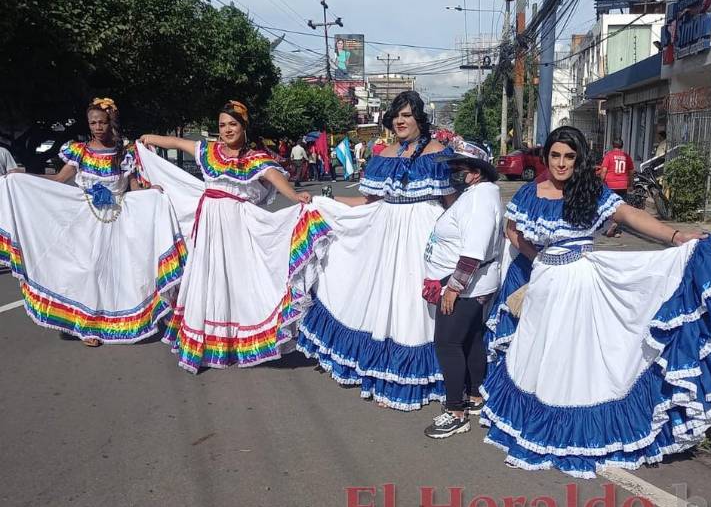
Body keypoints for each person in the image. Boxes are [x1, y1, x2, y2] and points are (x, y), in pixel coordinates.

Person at [480, 126, 711, 478]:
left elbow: (629, 215)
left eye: (569, 157)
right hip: (544, 286)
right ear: (546, 157)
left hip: (580, 284)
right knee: (539, 355)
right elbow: (512, 231)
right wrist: (538, 259)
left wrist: (675, 236)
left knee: (573, 359)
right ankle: (538, 422)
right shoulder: (530, 192)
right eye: (556, 156)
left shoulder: (590, 190)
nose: (562, 163)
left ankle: (577, 429)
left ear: (578, 160)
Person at [138, 101, 330, 373]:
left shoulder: (255, 158)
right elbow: (177, 143)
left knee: (239, 281)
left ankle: (241, 341)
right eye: (222, 125)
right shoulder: (208, 150)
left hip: (239, 227)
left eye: (233, 124)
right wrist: (149, 139)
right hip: (210, 226)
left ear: (244, 127)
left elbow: (275, 178)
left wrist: (295, 196)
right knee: (209, 278)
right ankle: (209, 343)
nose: (227, 130)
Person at [298, 91, 455, 410]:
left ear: (419, 119)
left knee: (417, 304)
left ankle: (425, 375)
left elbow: (454, 205)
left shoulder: (439, 152)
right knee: (386, 299)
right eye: (397, 115)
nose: (400, 120)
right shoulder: (384, 153)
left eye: (407, 115)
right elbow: (368, 202)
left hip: (424, 235)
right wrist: (326, 202)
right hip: (386, 235)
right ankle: (385, 370)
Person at [0, 98, 186, 346]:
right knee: (86, 271)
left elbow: (133, 188)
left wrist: (151, 190)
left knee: (112, 273)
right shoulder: (79, 151)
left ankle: (105, 322)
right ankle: (85, 325)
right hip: (83, 223)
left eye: (102, 122)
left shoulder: (123, 154)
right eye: (93, 123)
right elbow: (57, 180)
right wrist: (22, 176)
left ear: (111, 123)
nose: (97, 127)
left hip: (116, 221)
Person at [422, 140, 504, 438]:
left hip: (465, 286)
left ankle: (456, 411)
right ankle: (473, 395)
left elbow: (474, 250)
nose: (454, 172)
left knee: (447, 343)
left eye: (460, 167)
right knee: (469, 339)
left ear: (477, 171)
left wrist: (454, 287)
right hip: (469, 283)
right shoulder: (475, 195)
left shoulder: (480, 199)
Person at [599, 138, 634, 237]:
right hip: (622, 185)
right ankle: (617, 231)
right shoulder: (626, 156)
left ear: (612, 145)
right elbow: (631, 172)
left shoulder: (609, 156)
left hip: (610, 185)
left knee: (608, 206)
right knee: (620, 207)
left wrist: (601, 182)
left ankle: (610, 225)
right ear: (622, 146)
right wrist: (630, 184)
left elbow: (604, 171)